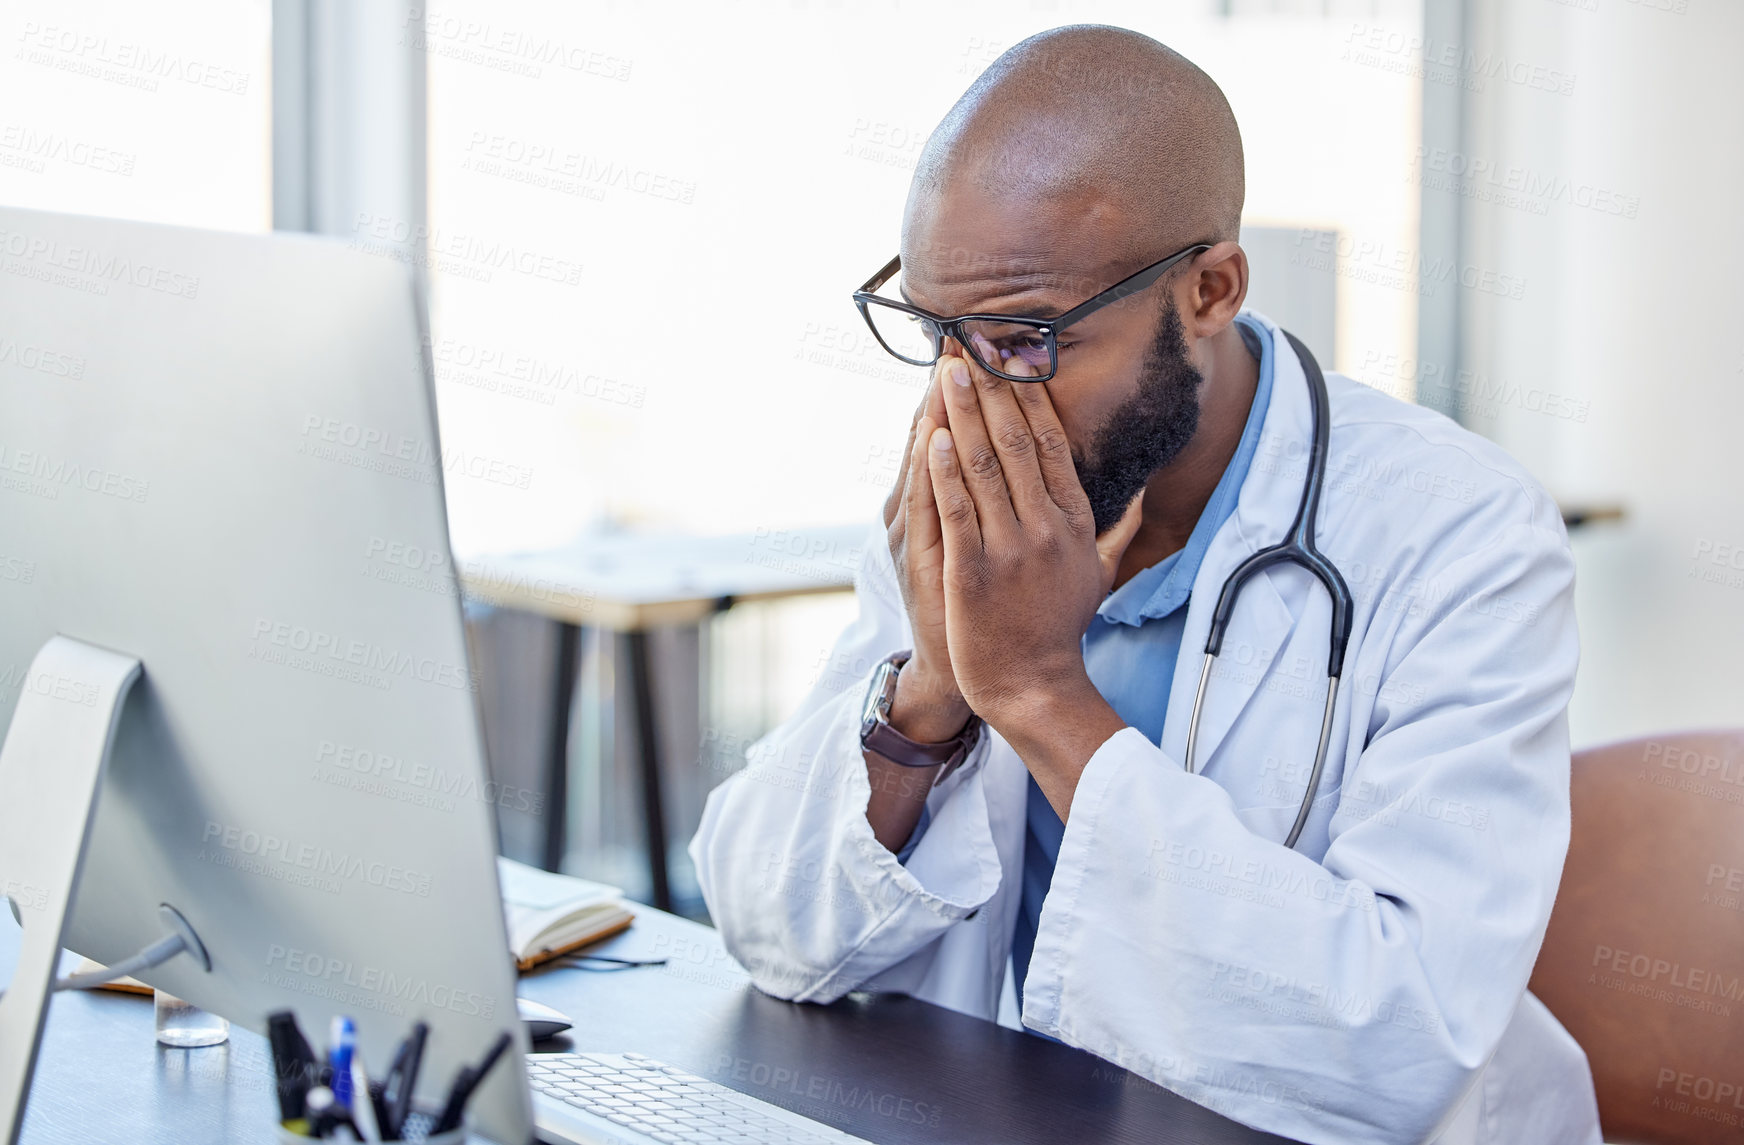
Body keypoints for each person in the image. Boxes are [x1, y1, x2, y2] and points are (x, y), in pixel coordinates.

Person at [690, 24, 1601, 1145]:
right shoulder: (977, 494)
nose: (969, 399)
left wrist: (1034, 689)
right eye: (935, 330)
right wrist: (933, 684)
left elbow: (1393, 1039)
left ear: (1211, 289)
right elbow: (761, 919)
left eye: (1024, 336)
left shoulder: (1458, 533)